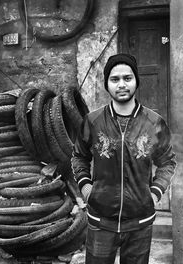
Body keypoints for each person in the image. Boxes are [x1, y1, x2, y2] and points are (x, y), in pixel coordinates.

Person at [71, 53, 176, 264]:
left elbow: (167, 162)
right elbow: (79, 157)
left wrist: (154, 193)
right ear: (106, 84)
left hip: (140, 222)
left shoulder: (154, 122)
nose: (121, 84)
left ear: (136, 82)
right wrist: (86, 188)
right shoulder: (93, 121)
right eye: (115, 79)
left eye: (127, 78)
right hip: (101, 221)